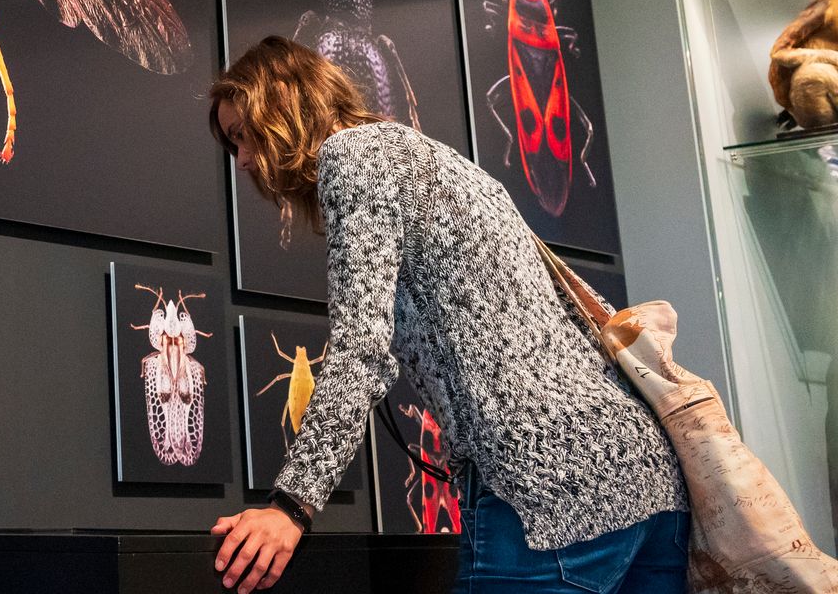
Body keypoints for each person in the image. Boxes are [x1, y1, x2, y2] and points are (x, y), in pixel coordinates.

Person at [204, 37, 688, 593]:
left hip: (548, 483)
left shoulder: (352, 158)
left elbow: (360, 352)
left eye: (242, 135)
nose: (242, 160)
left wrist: (292, 506)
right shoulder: (438, 161)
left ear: (282, 107)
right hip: (647, 478)